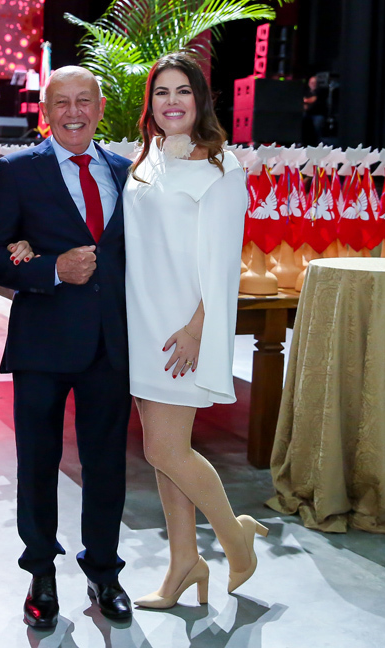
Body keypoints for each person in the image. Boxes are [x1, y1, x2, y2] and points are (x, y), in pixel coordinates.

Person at [0, 66, 134, 631]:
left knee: (106, 464)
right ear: (45, 112)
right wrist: (51, 270)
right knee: (37, 463)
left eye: (83, 101)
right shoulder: (20, 170)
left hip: (111, 344)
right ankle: (40, 573)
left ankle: (104, 571)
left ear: (100, 107)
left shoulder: (126, 172)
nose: (73, 112)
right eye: (61, 102)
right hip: (42, 342)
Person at [121, 53, 265, 609]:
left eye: (183, 90)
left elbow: (225, 264)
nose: (172, 101)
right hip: (142, 324)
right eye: (161, 92)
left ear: (200, 100)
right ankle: (184, 563)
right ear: (151, 104)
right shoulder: (148, 160)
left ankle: (235, 536)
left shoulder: (222, 171)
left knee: (165, 448)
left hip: (181, 330)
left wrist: (197, 330)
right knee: (165, 453)